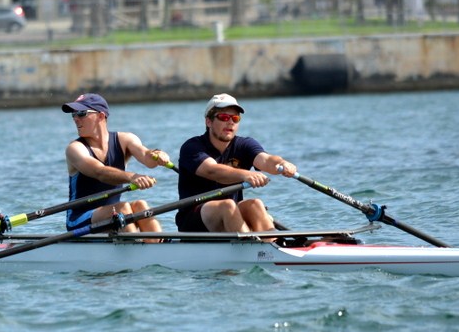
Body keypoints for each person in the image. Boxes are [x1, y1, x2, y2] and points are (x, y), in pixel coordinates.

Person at [176, 93, 297, 233]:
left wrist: (282, 163)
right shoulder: (192, 147)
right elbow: (212, 171)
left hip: (231, 214)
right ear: (208, 122)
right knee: (227, 205)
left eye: (235, 118)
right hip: (193, 220)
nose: (230, 122)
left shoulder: (244, 145)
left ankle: (272, 243)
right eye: (224, 117)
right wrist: (246, 175)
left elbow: (266, 160)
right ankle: (252, 244)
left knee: (255, 204)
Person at [62, 93, 173, 236]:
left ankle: (158, 244)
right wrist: (132, 177)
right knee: (123, 208)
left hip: (113, 215)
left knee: (141, 206)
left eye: (81, 113)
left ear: (100, 116)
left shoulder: (125, 139)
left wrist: (158, 155)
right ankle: (137, 245)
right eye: (74, 114)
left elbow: (147, 158)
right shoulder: (75, 149)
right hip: (79, 219)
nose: (75, 118)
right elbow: (99, 172)